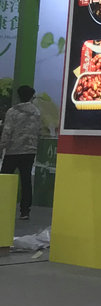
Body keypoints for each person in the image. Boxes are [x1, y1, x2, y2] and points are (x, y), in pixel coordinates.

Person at [0, 84, 43, 220]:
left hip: (12, 151)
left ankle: (3, 206)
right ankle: (25, 211)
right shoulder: (36, 113)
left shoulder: (12, 112)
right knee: (26, 181)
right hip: (29, 151)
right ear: (31, 97)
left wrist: (2, 147)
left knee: (4, 178)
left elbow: (7, 132)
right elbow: (39, 132)